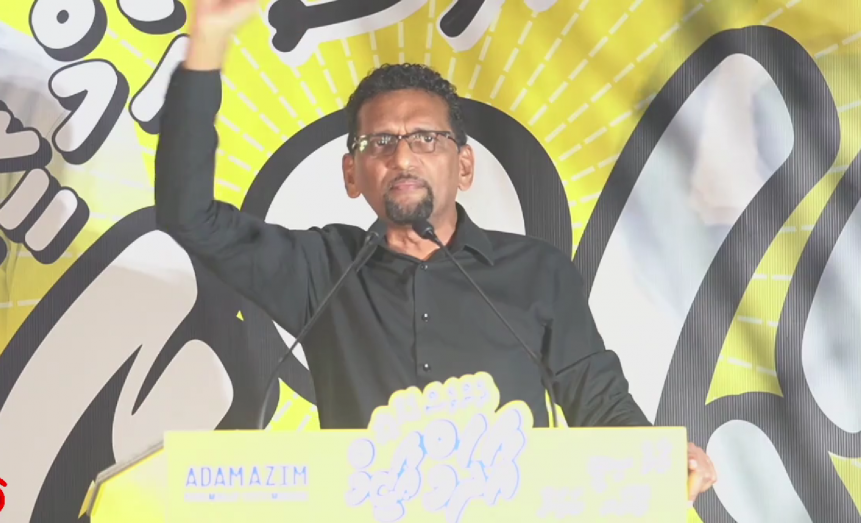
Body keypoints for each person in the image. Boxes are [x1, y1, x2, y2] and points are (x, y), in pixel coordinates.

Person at [154, 0, 717, 504]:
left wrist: (660, 463)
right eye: (380, 142)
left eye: (426, 138)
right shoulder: (319, 269)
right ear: (352, 174)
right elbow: (189, 215)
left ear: (464, 166)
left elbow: (598, 403)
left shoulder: (538, 272)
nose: (403, 158)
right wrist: (208, 45)